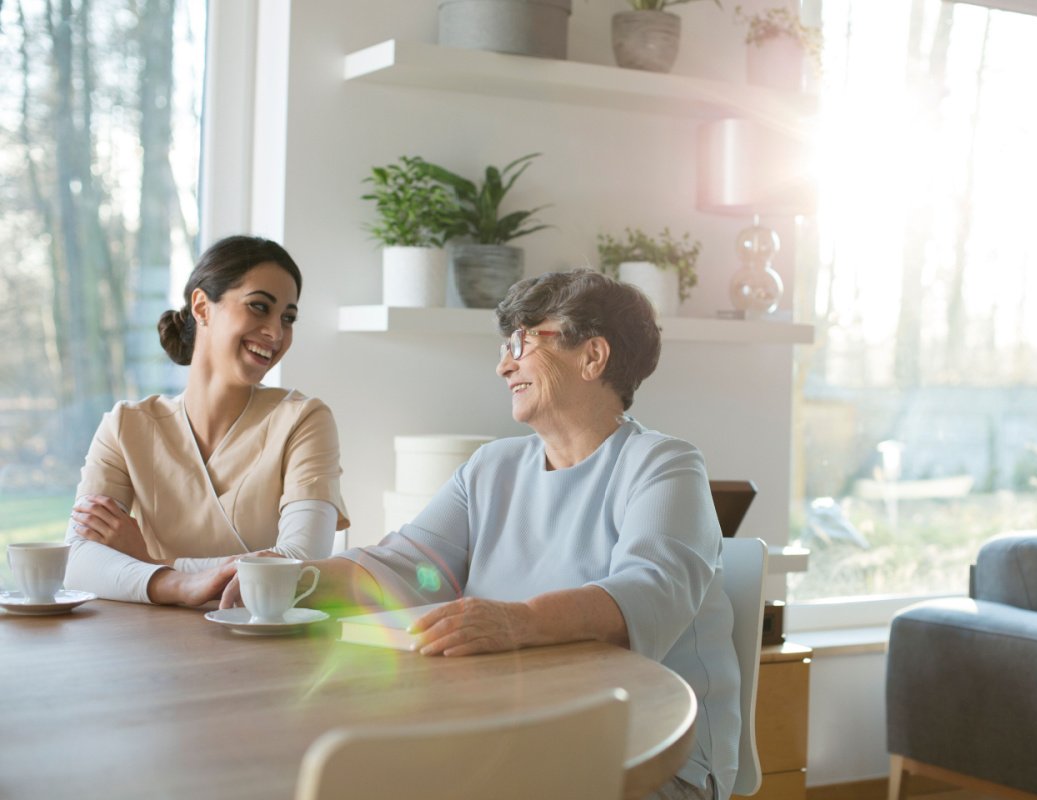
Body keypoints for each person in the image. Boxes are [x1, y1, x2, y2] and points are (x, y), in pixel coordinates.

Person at [222, 269, 738, 799]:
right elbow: (409, 564)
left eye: (521, 342)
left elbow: (652, 592)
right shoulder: (492, 466)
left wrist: (520, 621)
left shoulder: (663, 464)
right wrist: (295, 577)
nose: (503, 364)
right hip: (518, 731)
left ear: (593, 356)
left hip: (647, 752)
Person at [64, 235, 350, 606]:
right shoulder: (125, 426)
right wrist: (180, 585)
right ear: (202, 306)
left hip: (269, 646)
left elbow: (300, 564)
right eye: (259, 307)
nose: (276, 333)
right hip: (148, 646)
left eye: (288, 318)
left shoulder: (303, 420)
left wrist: (153, 563)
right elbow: (77, 561)